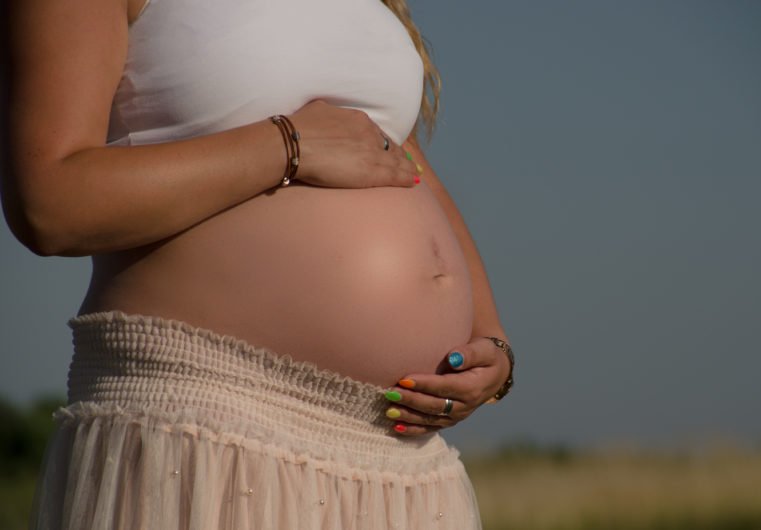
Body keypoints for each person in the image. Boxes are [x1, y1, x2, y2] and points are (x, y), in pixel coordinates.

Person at [2, 0, 514, 528]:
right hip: (211, 431)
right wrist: (285, 145)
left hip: (403, 463)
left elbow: (393, 152)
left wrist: (488, 338)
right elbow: (49, 201)